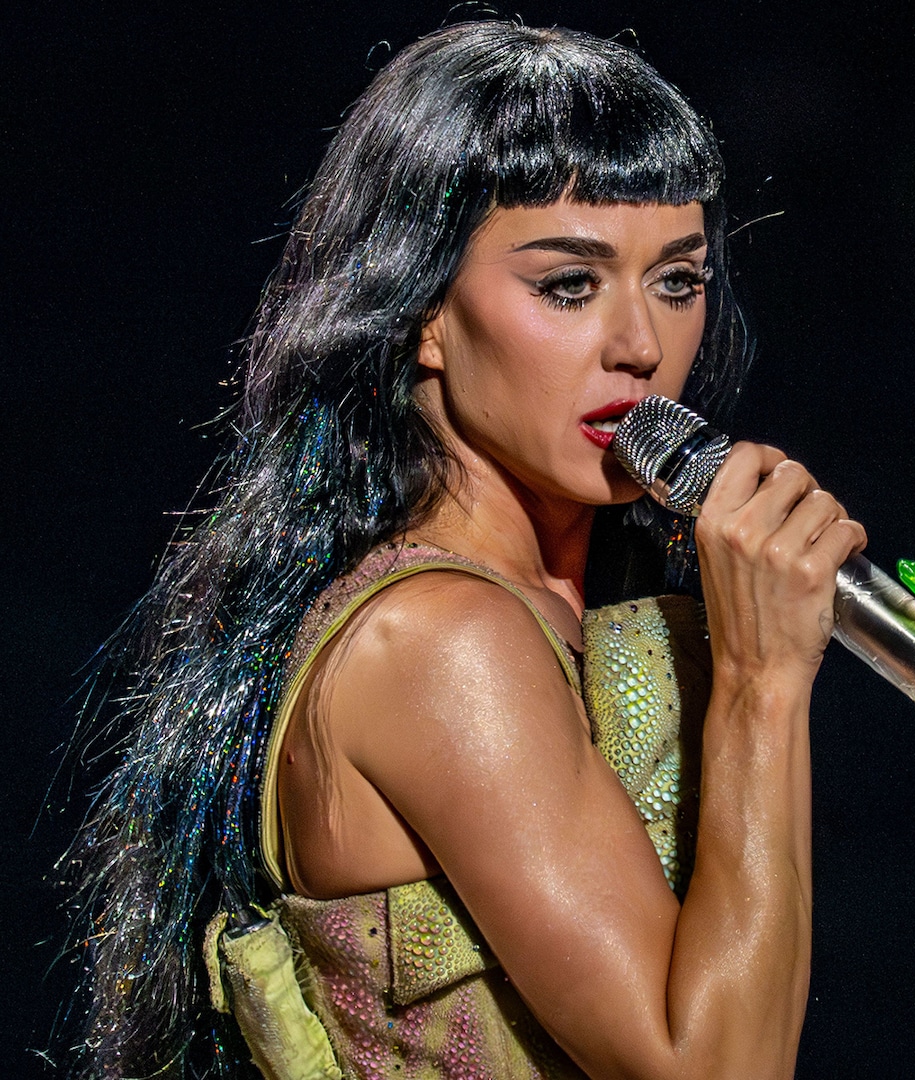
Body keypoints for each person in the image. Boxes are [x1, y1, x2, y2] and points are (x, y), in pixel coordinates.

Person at [66, 20, 866, 1080]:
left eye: (677, 281)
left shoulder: (558, 600)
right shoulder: (443, 639)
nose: (641, 345)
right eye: (569, 286)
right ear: (423, 313)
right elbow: (713, 1068)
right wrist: (763, 682)